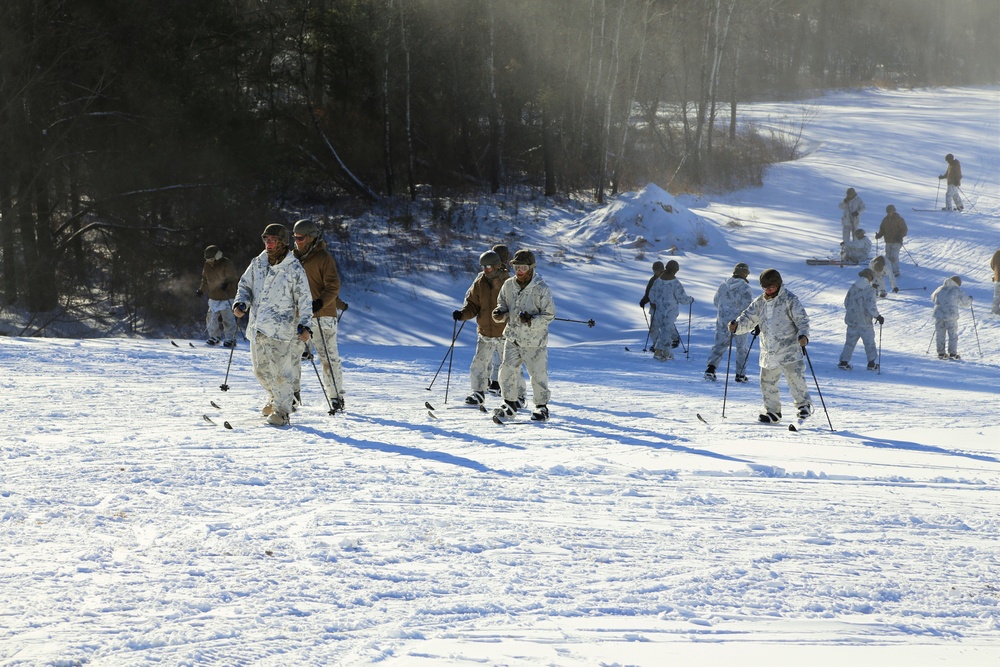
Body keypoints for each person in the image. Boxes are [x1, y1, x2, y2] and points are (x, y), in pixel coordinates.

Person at [233, 224, 313, 426]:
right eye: (265, 239)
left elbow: (304, 298)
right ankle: (276, 397)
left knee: (281, 372)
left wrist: (305, 324)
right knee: (260, 370)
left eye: (272, 240)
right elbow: (245, 285)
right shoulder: (257, 263)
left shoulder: (293, 268)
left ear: (282, 242)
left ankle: (283, 411)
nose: (268, 244)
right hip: (257, 326)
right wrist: (241, 302)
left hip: (280, 328)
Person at [728, 269, 812, 424]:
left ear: (778, 284)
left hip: (789, 349)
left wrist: (803, 335)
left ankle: (804, 407)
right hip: (769, 350)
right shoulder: (760, 302)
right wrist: (737, 326)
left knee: (795, 379)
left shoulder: (789, 299)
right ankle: (772, 412)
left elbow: (802, 320)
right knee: (767, 382)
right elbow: (748, 317)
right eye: (765, 287)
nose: (768, 290)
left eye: (771, 287)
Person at [491, 249, 556, 422]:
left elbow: (549, 315)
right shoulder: (508, 285)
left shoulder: (541, 288)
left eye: (523, 267)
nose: (519, 271)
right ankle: (510, 404)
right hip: (512, 338)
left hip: (534, 341)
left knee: (538, 374)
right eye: (516, 267)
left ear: (531, 268)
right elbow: (502, 303)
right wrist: (499, 313)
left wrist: (532, 320)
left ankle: (541, 408)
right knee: (506, 372)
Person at [453, 250, 523, 406]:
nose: (486, 269)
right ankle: (478, 392)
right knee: (479, 364)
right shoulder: (480, 283)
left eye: (489, 266)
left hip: (505, 333)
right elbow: (472, 305)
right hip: (485, 332)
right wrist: (462, 314)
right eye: (483, 266)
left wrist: (507, 313)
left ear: (497, 265)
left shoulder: (509, 282)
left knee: (511, 366)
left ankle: (518, 396)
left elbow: (518, 305)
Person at [291, 218, 346, 412]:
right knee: (293, 356)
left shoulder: (324, 258)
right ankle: (292, 395)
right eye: (295, 237)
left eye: (301, 238)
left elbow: (333, 285)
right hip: (298, 316)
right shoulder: (291, 259)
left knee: (328, 357)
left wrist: (320, 302)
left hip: (323, 315)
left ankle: (336, 396)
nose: (297, 241)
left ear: (312, 238)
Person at [705, 262, 753, 382]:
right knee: (741, 348)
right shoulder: (745, 288)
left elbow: (716, 301)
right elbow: (748, 307)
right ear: (745, 274)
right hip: (739, 323)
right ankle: (740, 374)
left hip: (723, 321)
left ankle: (710, 369)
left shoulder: (723, 285)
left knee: (719, 345)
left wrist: (724, 311)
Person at [838, 268, 884, 371]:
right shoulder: (869, 290)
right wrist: (878, 316)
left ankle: (844, 362)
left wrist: (853, 311)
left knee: (849, 342)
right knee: (869, 343)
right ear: (870, 277)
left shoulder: (853, 287)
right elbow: (870, 306)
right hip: (864, 322)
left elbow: (846, 302)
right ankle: (871, 363)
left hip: (852, 321)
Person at [648, 260, 693, 360]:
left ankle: (666, 352)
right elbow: (682, 298)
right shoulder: (675, 283)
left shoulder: (658, 281)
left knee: (665, 330)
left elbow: (651, 295)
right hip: (670, 310)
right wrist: (690, 299)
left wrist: (656, 303)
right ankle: (659, 351)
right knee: (666, 330)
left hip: (659, 310)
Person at [197, 245, 239, 347]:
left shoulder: (226, 263)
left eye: (211, 259)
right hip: (213, 296)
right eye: (207, 259)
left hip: (227, 296)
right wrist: (201, 290)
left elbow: (233, 277)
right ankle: (214, 337)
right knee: (211, 318)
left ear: (217, 256)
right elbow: (205, 279)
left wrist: (227, 284)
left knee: (228, 319)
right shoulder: (207, 265)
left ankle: (230, 338)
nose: (210, 261)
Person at [931, 275, 973, 360]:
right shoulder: (956, 290)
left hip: (939, 315)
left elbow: (933, 298)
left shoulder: (940, 289)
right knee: (952, 334)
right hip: (951, 315)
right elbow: (965, 302)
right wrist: (970, 300)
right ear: (958, 283)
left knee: (940, 334)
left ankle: (941, 353)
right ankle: (952, 353)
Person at [875, 204, 908, 278]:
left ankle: (895, 271)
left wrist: (900, 236)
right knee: (888, 256)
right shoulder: (885, 220)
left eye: (890, 212)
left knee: (894, 256)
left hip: (896, 241)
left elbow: (904, 230)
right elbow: (882, 229)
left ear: (893, 211)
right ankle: (888, 270)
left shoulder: (899, 219)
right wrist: (879, 235)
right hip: (888, 241)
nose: (889, 213)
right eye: (887, 212)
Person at [991, 249, 1000, 315]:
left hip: (997, 279)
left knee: (996, 296)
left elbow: (992, 264)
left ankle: (995, 311)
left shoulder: (997, 253)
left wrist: (996, 272)